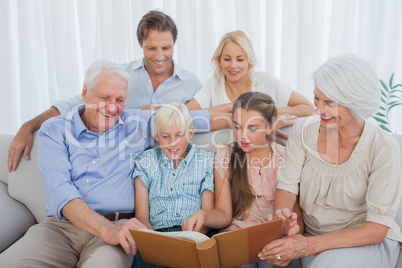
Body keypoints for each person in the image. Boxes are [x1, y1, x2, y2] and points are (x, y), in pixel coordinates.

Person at [0, 60, 218, 268]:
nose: (112, 108)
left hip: (118, 228)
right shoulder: (55, 130)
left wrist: (243, 119)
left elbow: (190, 119)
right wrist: (28, 126)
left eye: (120, 100)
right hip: (62, 229)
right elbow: (59, 191)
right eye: (105, 98)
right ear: (85, 93)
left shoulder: (136, 124)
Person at [8, 10, 202, 172]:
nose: (160, 56)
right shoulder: (121, 76)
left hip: (168, 171)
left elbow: (202, 120)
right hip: (122, 169)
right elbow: (74, 104)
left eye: (166, 48)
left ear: (174, 44)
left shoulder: (191, 83)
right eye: (152, 48)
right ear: (139, 43)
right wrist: (28, 126)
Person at [258, 54, 402, 267]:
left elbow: (376, 228)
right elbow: (287, 188)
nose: (317, 110)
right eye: (316, 98)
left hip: (363, 243)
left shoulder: (383, 148)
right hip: (313, 240)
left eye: (329, 103)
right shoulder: (304, 130)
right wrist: (286, 222)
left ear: (355, 102)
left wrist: (309, 246)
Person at [183, 92, 303, 268]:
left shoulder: (285, 157)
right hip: (237, 237)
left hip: (274, 238)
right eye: (238, 127)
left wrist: (292, 234)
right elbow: (224, 214)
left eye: (252, 129)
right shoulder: (226, 156)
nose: (243, 136)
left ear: (270, 127)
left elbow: (297, 215)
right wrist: (203, 215)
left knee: (273, 262)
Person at [186, 30, 315, 138]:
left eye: (240, 59)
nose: (233, 65)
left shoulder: (266, 80)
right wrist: (230, 107)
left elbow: (309, 108)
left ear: (249, 61)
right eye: (227, 59)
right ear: (219, 60)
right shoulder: (213, 85)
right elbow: (184, 115)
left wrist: (261, 113)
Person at [132, 103, 215, 267]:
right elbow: (141, 216)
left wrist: (190, 238)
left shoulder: (206, 161)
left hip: (194, 234)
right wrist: (154, 241)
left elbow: (207, 213)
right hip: (157, 235)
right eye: (165, 136)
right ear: (156, 136)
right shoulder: (146, 161)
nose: (172, 143)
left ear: (191, 133)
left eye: (179, 135)